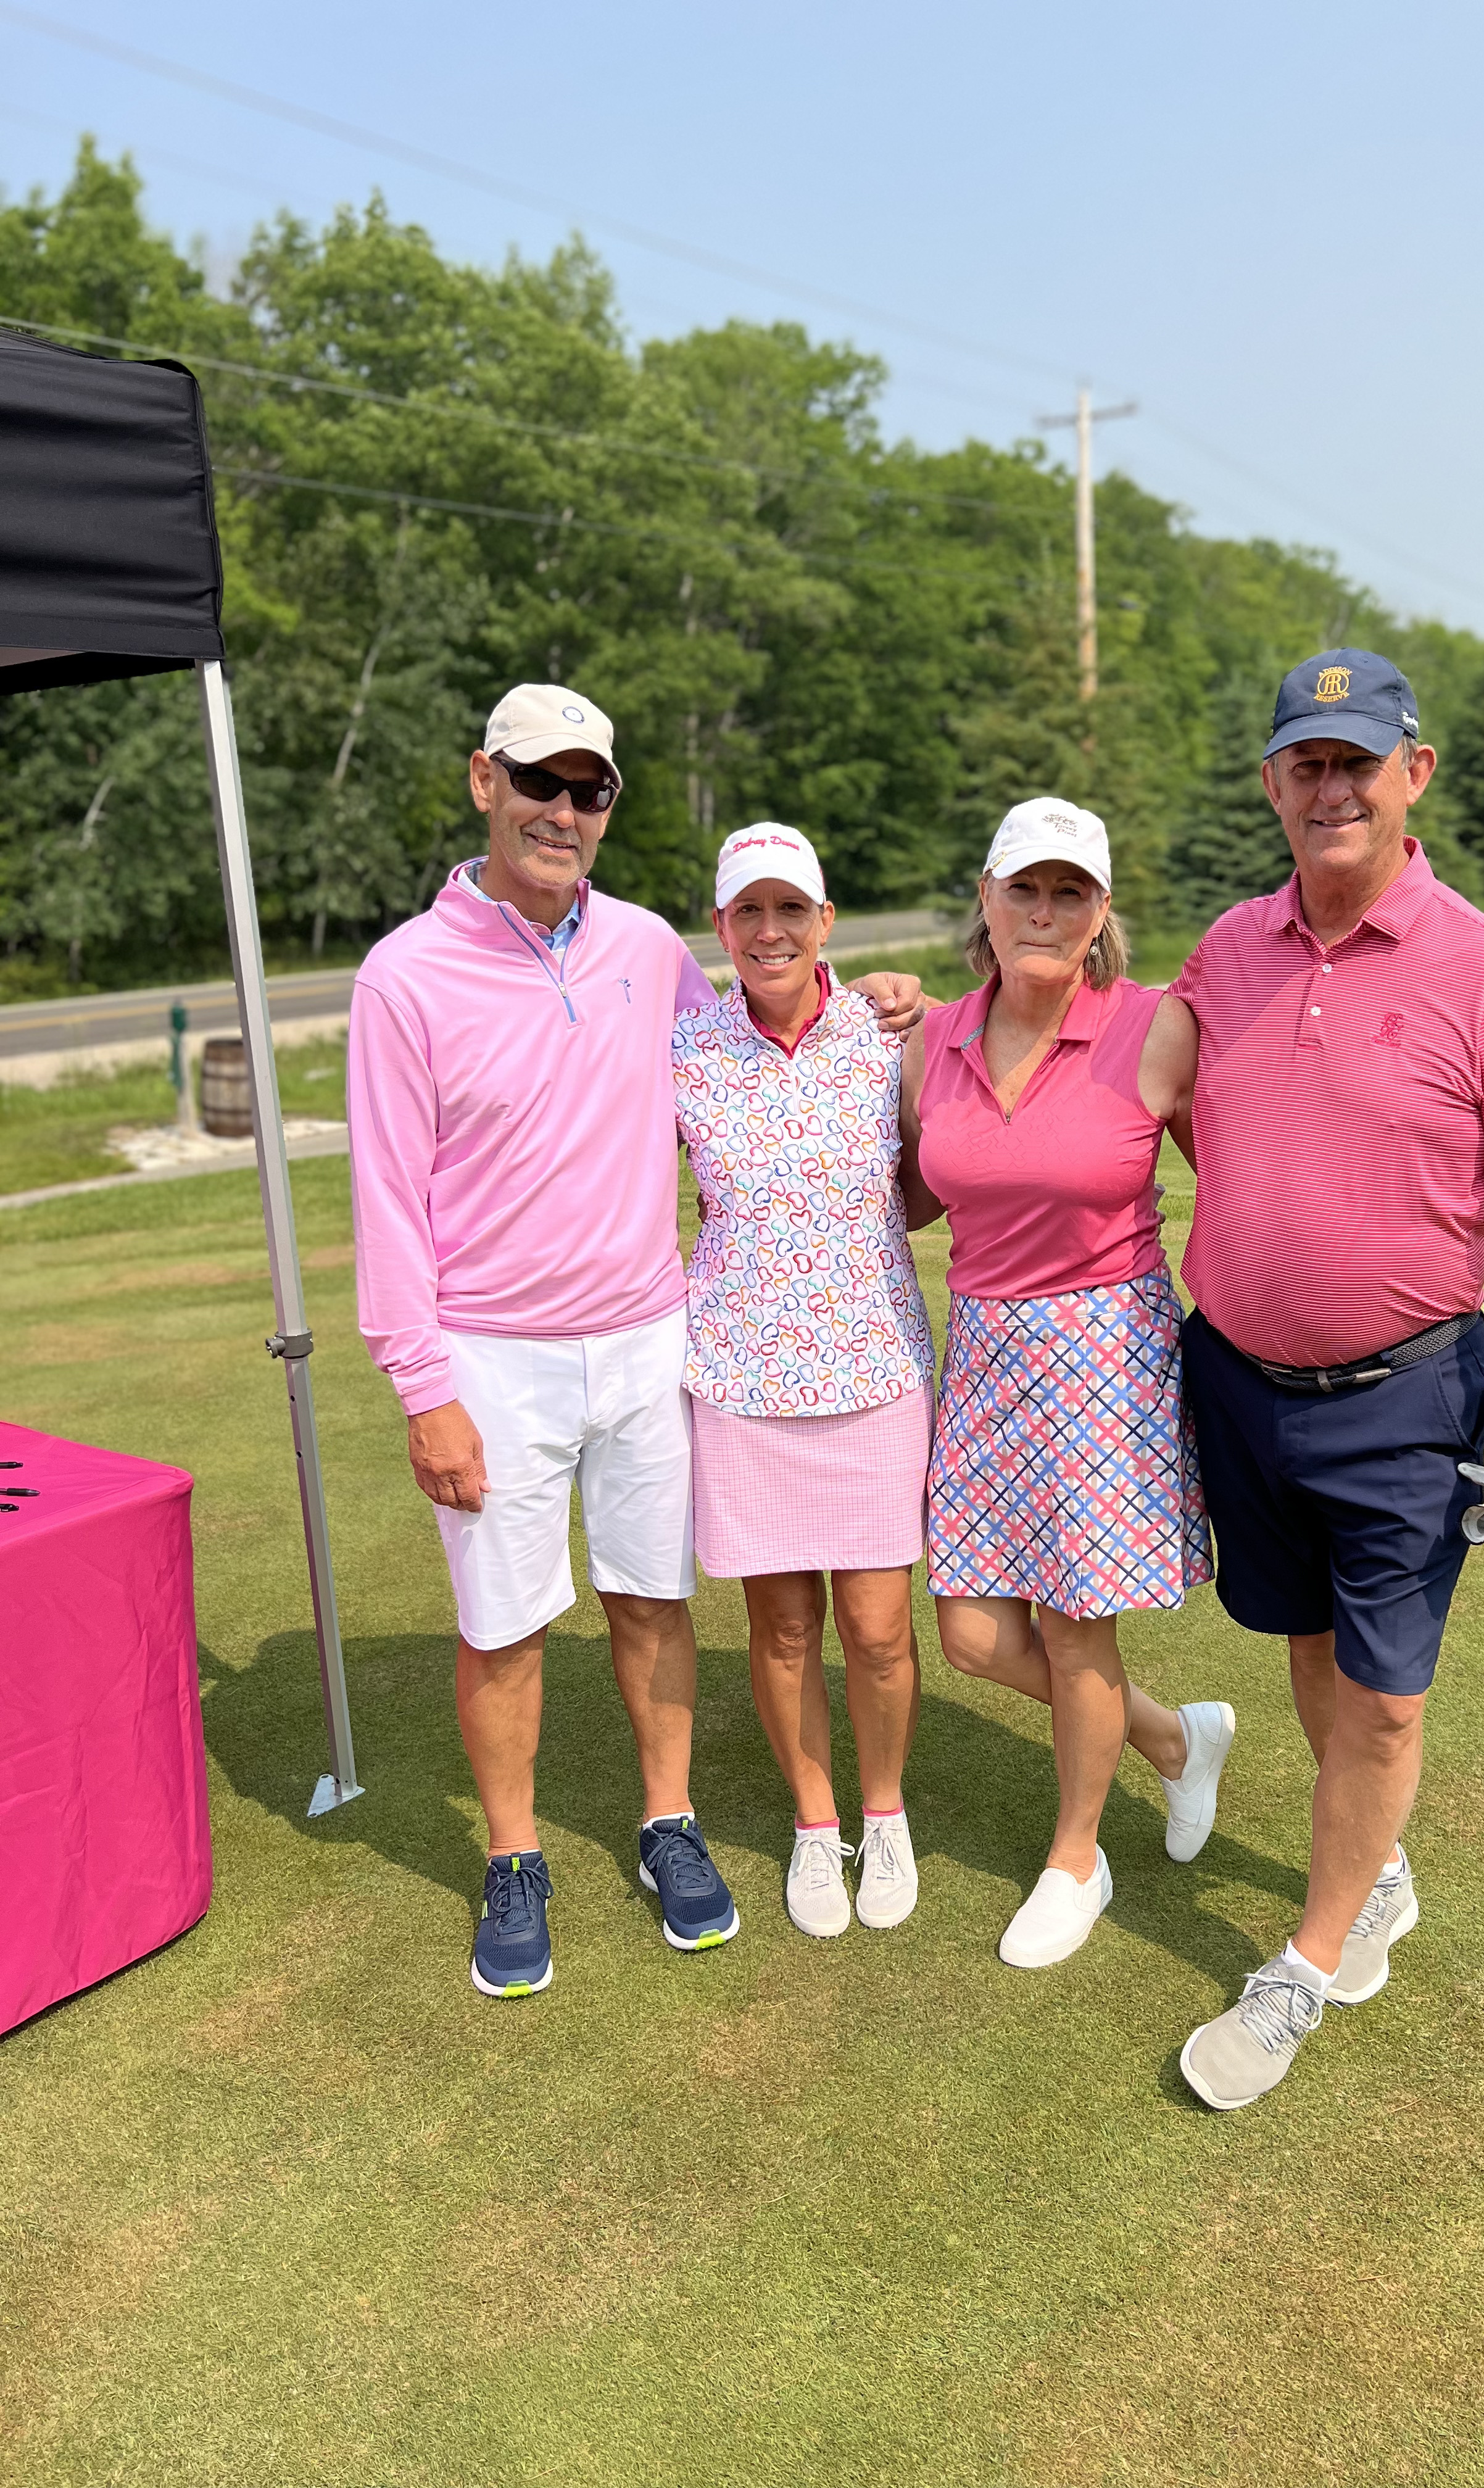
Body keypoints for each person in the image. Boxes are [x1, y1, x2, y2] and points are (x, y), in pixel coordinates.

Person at [347, 686, 924, 1998]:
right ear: (484, 782)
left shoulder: (649, 949)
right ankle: (514, 1858)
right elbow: (385, 1200)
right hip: (490, 1354)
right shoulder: (404, 976)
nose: (563, 810)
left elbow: (761, 1038)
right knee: (504, 1623)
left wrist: (878, 996)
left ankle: (670, 1824)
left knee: (651, 1601)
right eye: (538, 782)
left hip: (652, 1336)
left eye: (589, 789)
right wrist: (424, 1389)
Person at [1171, 649, 1484, 2109]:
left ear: (1414, 773)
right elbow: (1132, 1078)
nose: (1332, 787)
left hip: (1406, 1398)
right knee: (1307, 1646)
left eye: (1358, 760)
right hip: (1238, 1381)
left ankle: (1307, 1961)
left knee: (1387, 1697)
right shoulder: (1227, 951)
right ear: (1273, 784)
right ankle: (1378, 1868)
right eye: (1308, 762)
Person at [902, 798, 1235, 1970]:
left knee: (1073, 1623)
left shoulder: (1154, 1027)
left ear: (1100, 913)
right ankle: (1174, 1739)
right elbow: (922, 1194)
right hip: (987, 1353)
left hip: (1106, 1353)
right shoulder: (932, 1040)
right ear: (986, 902)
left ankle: (1077, 1859)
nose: (1044, 912)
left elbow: (1237, 1183)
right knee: (971, 1634)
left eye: (1070, 893)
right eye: (1024, 890)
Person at [673, 823, 936, 1939]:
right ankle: (816, 1825)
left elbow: (931, 1175)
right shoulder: (686, 1047)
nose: (770, 931)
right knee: (782, 1630)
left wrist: (850, 1227)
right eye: (749, 911)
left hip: (874, 1368)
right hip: (740, 1377)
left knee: (878, 1629)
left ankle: (885, 1815)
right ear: (722, 925)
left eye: (792, 909)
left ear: (827, 921)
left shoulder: (884, 1036)